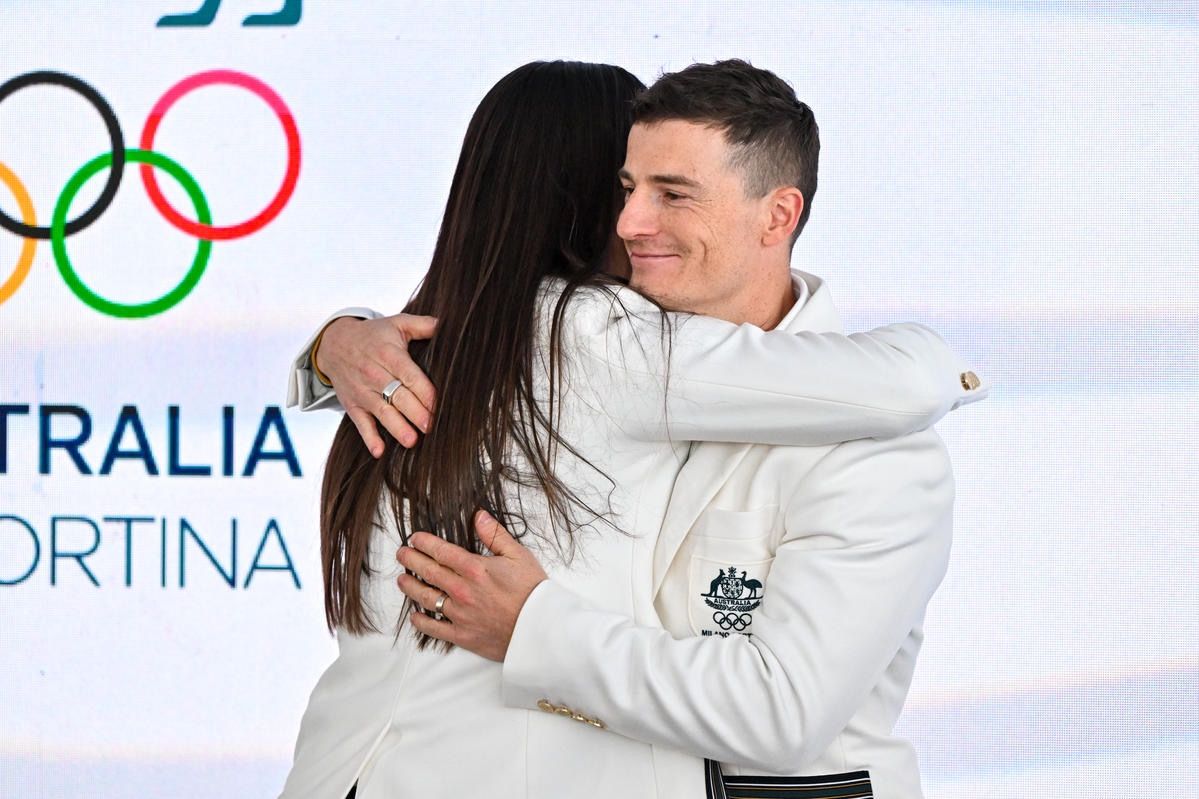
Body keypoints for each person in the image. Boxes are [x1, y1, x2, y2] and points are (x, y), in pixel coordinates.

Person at [283, 60, 986, 799]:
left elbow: (781, 710)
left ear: (777, 215)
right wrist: (337, 343)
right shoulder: (589, 343)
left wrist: (532, 628)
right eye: (622, 189)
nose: (629, 222)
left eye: (671, 193)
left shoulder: (876, 450)